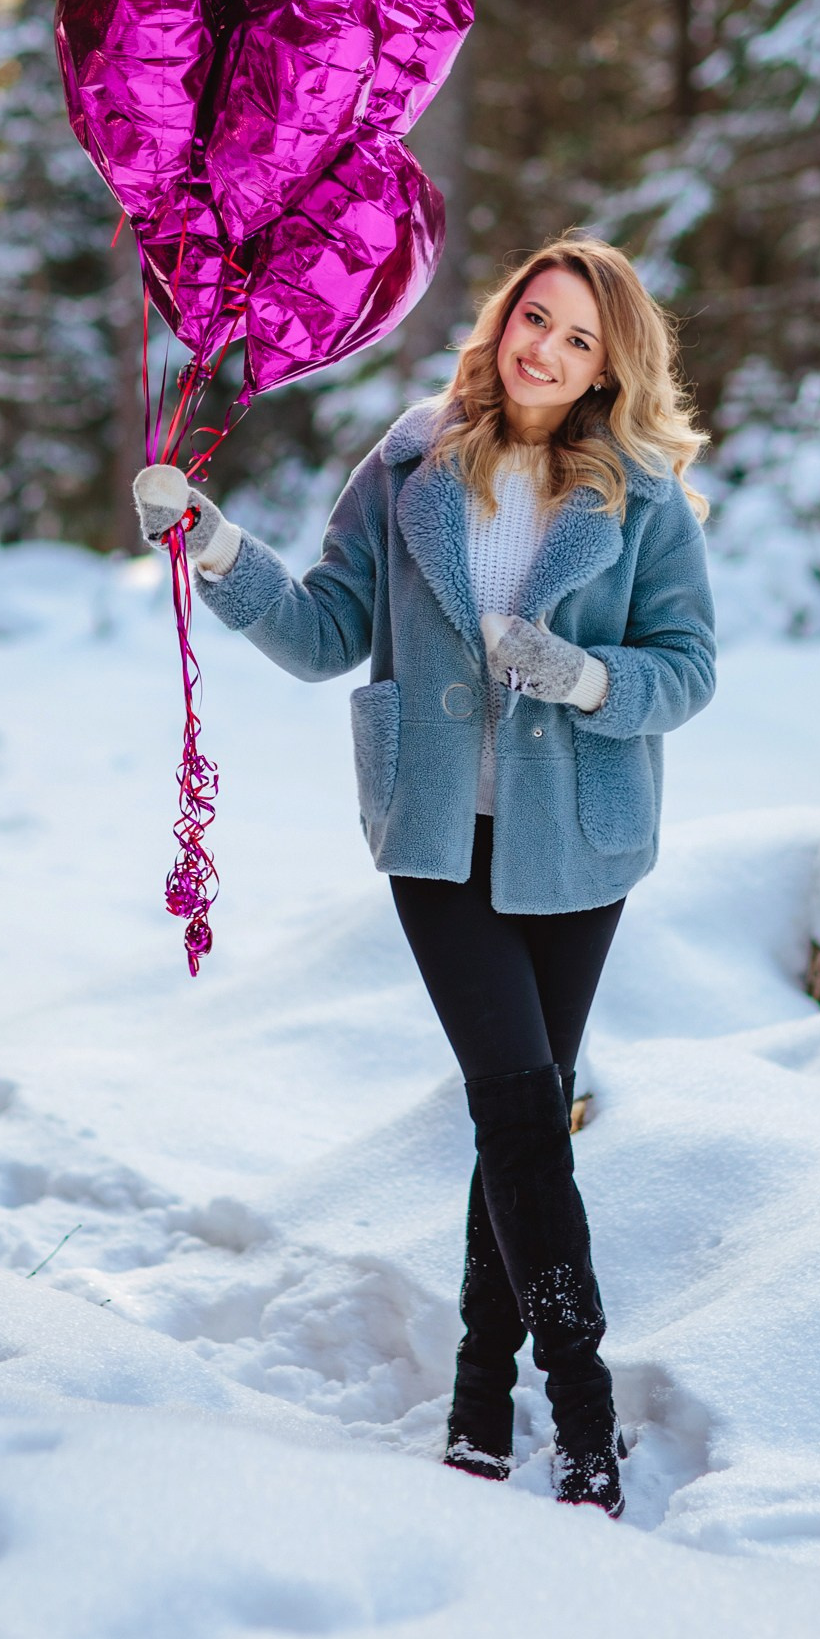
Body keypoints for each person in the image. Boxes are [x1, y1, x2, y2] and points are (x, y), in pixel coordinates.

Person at [133, 236, 715, 1515]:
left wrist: (588, 678)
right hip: (438, 837)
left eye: (578, 341)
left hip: (579, 846)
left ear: (610, 368)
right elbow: (328, 631)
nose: (545, 352)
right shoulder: (408, 462)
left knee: (519, 1123)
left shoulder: (642, 497)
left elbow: (688, 666)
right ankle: (583, 1416)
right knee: (516, 1110)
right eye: (535, 318)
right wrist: (218, 548)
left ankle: (473, 1403)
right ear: (503, 314)